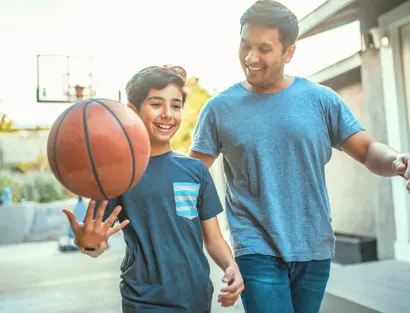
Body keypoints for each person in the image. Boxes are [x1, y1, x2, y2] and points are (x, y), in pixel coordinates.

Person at [189, 1, 410, 313]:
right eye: (245, 45)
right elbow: (190, 178)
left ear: (288, 53)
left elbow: (367, 149)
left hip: (314, 246)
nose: (250, 58)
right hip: (255, 247)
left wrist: (398, 161)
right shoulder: (219, 109)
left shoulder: (320, 100)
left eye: (263, 49)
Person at [63, 65, 244, 313]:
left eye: (176, 105)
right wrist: (89, 243)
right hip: (144, 302)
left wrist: (230, 266)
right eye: (156, 104)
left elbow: (213, 239)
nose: (168, 114)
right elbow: (94, 243)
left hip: (197, 299)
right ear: (132, 112)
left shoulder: (195, 171)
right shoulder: (117, 174)